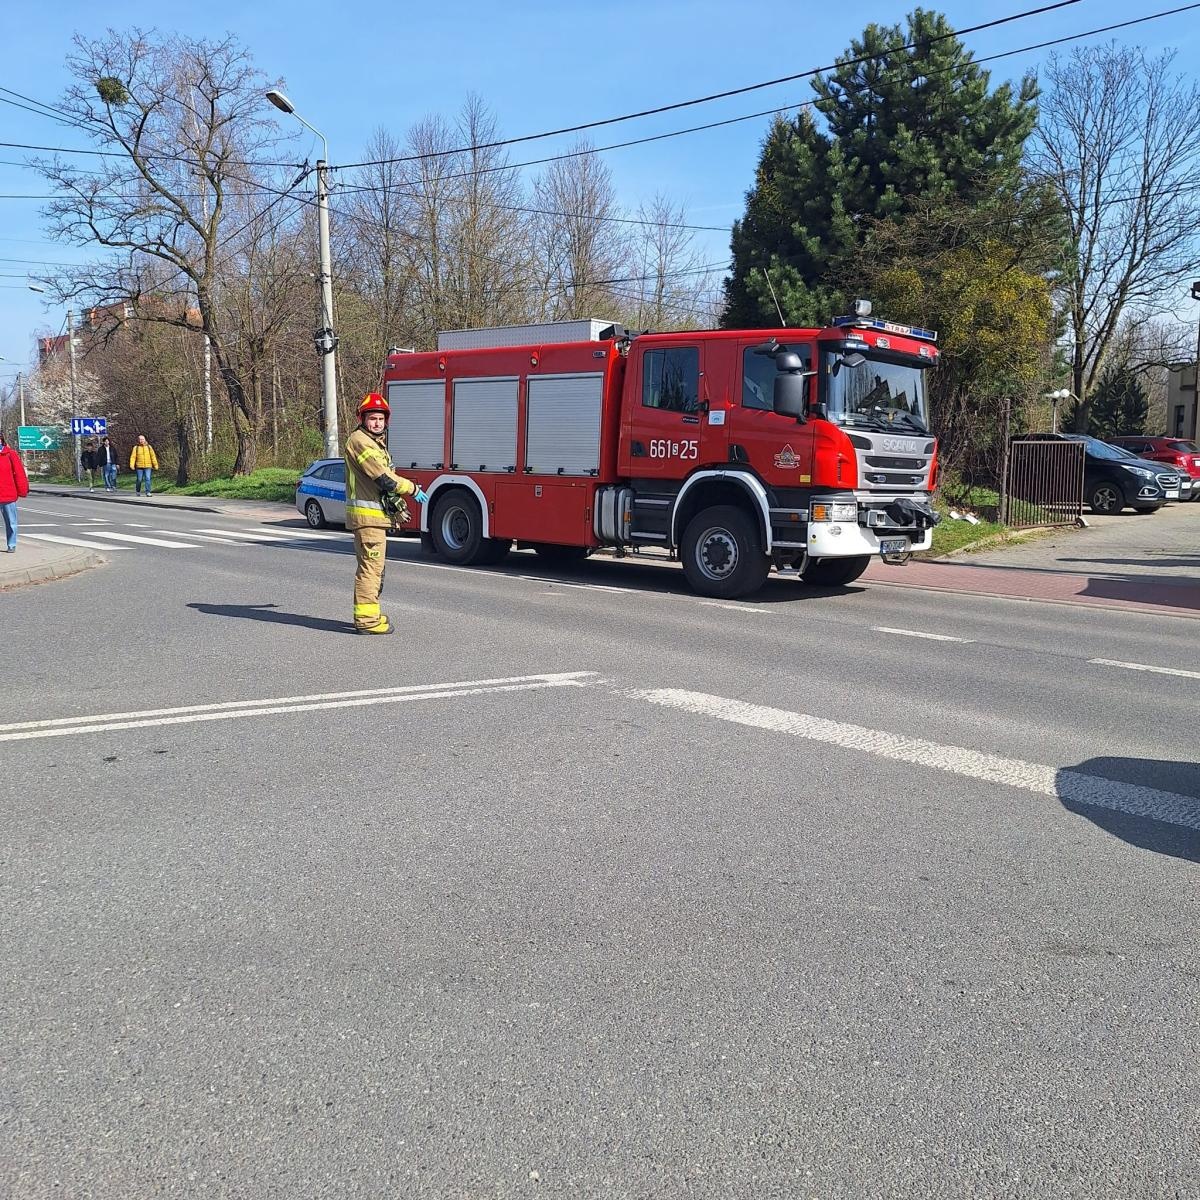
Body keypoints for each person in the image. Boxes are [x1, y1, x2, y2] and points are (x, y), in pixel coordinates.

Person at [344, 392, 428, 635]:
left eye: (380, 419)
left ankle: (370, 614)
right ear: (363, 419)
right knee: (371, 569)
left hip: (374, 518)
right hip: (368, 518)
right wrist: (412, 489)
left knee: (375, 568)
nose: (377, 423)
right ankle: (367, 622)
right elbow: (382, 476)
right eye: (372, 418)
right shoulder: (360, 441)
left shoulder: (372, 441)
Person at [0, 432, 30, 553]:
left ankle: (11, 544)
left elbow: (19, 473)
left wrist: (22, 490)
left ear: (1, 440)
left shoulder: (10, 454)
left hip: (7, 494)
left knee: (11, 522)